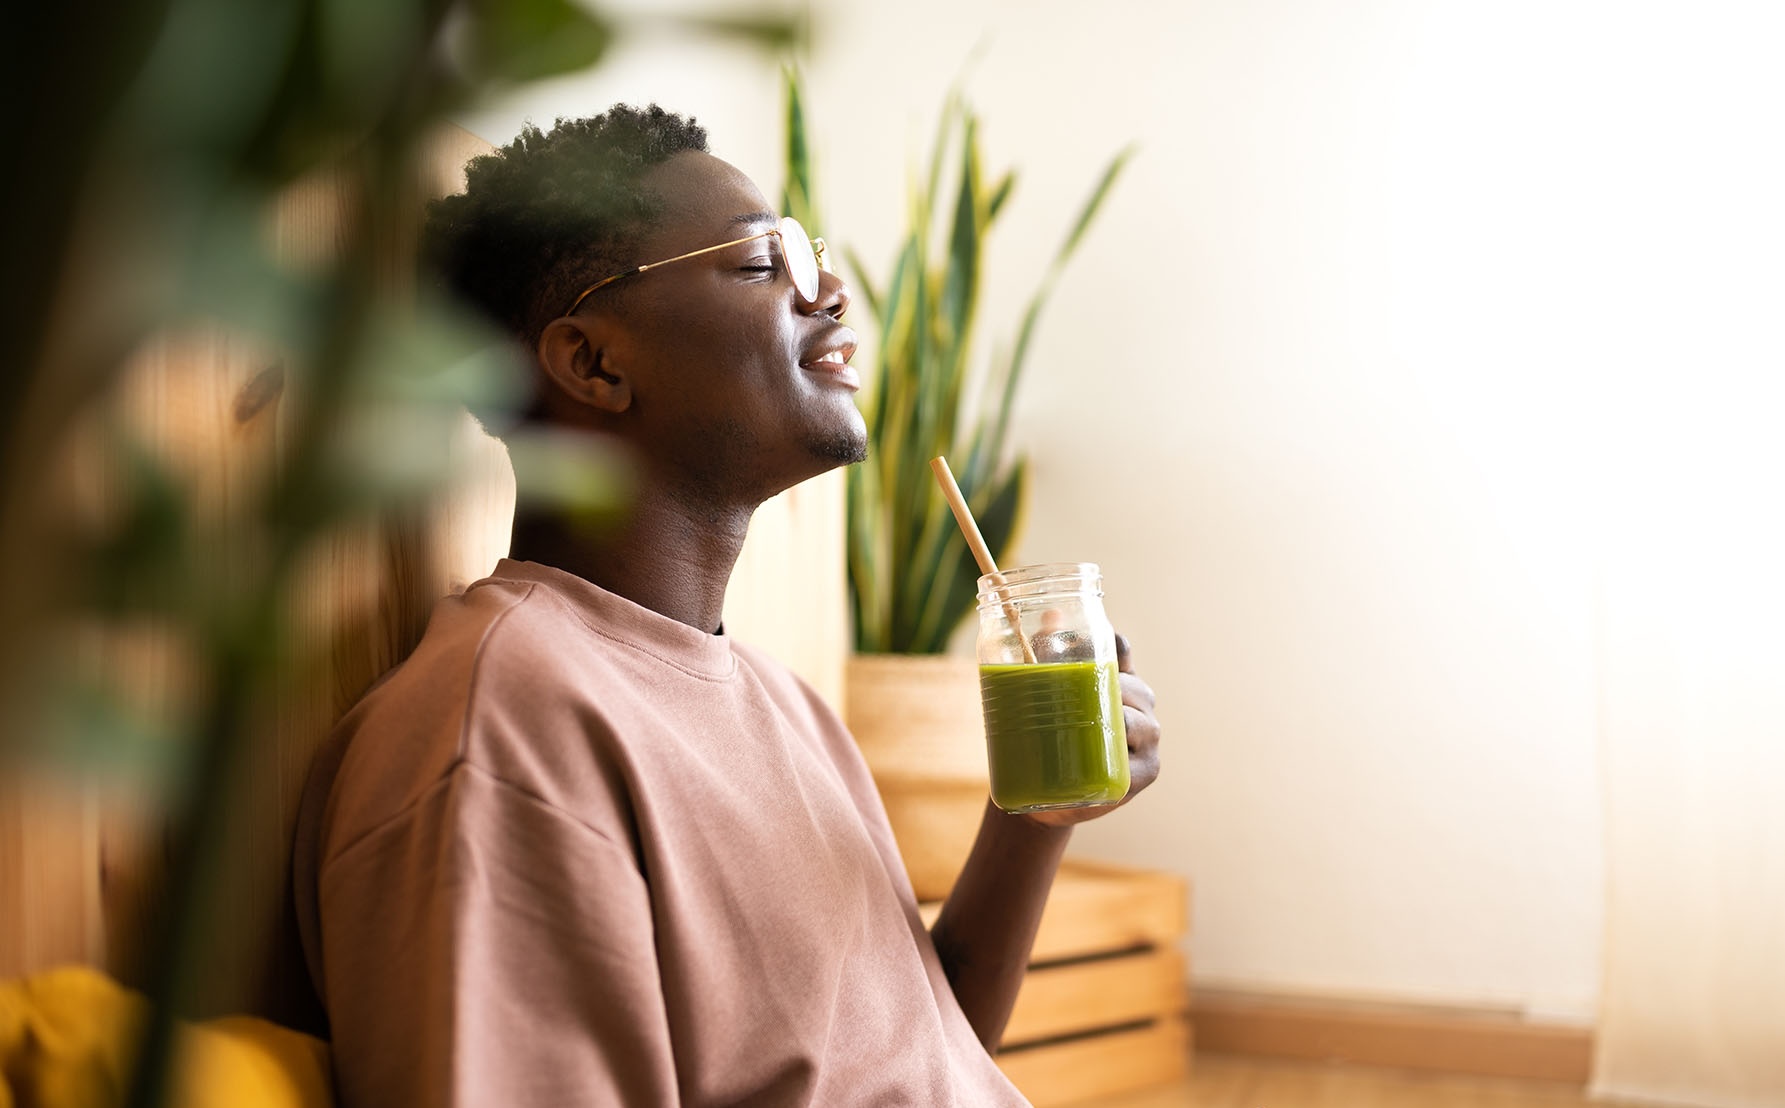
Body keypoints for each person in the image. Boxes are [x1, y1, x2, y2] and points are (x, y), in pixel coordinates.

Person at [290, 103, 1162, 1107]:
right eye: (761, 263)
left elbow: (924, 1054)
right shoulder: (502, 733)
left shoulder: (789, 709)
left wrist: (1034, 822)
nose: (829, 290)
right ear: (594, 363)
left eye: (810, 254)